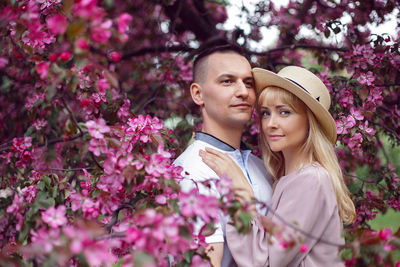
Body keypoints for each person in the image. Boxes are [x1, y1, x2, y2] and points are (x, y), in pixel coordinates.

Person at [199, 66, 356, 267]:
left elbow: (268, 263)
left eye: (284, 112)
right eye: (265, 113)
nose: (270, 123)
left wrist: (241, 193)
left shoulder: (310, 179)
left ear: (310, 122)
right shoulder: (287, 178)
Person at [173, 45, 273, 267]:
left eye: (248, 83)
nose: (243, 92)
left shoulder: (261, 167)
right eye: (227, 81)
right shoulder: (192, 173)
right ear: (198, 94)